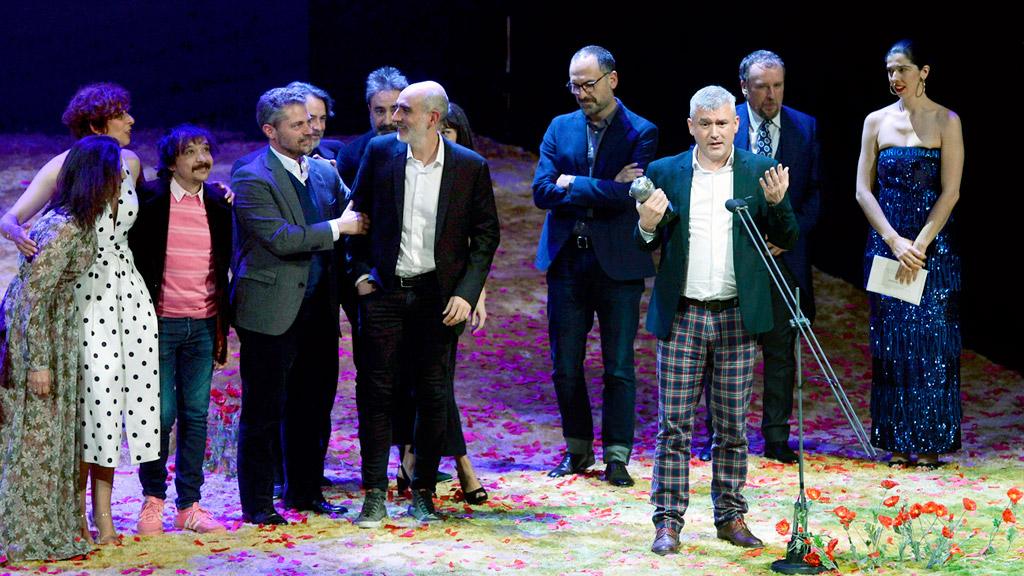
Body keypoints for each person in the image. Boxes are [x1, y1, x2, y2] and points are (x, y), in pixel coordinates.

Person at [636, 86, 798, 554]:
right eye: (705, 124)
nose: (714, 133)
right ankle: (668, 522)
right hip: (683, 315)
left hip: (736, 317)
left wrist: (780, 203)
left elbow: (787, 236)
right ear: (691, 127)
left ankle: (730, 516)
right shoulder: (664, 172)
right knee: (673, 426)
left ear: (736, 125)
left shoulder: (759, 171)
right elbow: (645, 241)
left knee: (731, 426)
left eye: (723, 123)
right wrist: (646, 224)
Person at [1, 83, 161, 545]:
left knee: (121, 404)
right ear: (96, 124)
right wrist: (17, 234)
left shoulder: (130, 163)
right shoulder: (64, 166)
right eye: (121, 114)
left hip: (128, 291)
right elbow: (11, 217)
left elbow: (149, 211)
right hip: (84, 295)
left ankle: (102, 514)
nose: (131, 121)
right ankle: (85, 516)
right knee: (93, 404)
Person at [348, 81, 500, 527]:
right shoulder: (380, 153)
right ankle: (374, 494)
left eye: (404, 110)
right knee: (375, 393)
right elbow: (357, 215)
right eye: (394, 109)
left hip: (438, 299)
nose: (395, 118)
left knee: (433, 396)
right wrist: (360, 275)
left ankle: (423, 493)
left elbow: (486, 235)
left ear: (433, 118)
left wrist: (466, 293)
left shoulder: (469, 166)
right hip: (384, 293)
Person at [231, 86, 367, 526]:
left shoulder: (323, 172)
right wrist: (339, 227)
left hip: (319, 309)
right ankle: (257, 502)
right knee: (264, 409)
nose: (310, 130)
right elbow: (281, 238)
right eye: (297, 125)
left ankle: (305, 493)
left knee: (314, 405)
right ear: (271, 131)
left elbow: (354, 207)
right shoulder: (251, 175)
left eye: (310, 121)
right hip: (271, 310)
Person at [532, 45, 657, 487]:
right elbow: (542, 192)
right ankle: (578, 449)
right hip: (566, 259)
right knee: (565, 365)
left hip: (618, 265)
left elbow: (630, 197)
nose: (580, 93)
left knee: (618, 366)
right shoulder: (559, 126)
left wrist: (572, 184)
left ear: (612, 80)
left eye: (588, 84)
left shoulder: (641, 131)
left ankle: (617, 456)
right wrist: (601, 185)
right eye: (574, 86)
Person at [695, 50, 823, 464]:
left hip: (785, 261)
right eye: (762, 86)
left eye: (778, 86)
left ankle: (776, 437)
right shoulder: (722, 123)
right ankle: (718, 434)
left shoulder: (805, 126)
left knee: (781, 352)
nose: (771, 95)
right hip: (732, 258)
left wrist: (789, 234)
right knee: (722, 352)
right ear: (743, 87)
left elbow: (814, 194)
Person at [0, 135, 123, 561]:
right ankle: (27, 533)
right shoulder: (65, 227)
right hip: (40, 335)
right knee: (36, 435)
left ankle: (53, 524)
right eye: (114, 172)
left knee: (52, 434)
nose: (120, 178)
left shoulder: (77, 220)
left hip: (56, 330)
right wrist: (38, 362)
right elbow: (32, 298)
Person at [855, 39, 963, 469]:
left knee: (931, 344)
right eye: (889, 70)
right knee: (893, 344)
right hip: (888, 248)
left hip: (932, 251)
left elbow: (950, 191)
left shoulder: (947, 120)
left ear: (924, 72)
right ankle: (898, 442)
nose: (895, 78)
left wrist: (918, 244)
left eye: (902, 69)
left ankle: (931, 442)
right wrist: (894, 240)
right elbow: (863, 190)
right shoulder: (876, 121)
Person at [129, 125, 232, 535]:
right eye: (190, 152)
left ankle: (189, 504)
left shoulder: (219, 203)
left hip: (204, 325)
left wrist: (222, 328)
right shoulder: (149, 201)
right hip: (158, 324)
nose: (202, 158)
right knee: (160, 414)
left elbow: (223, 268)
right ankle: (153, 498)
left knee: (196, 415)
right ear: (171, 162)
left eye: (206, 149)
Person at [392, 102, 488, 504]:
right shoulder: (398, 158)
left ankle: (423, 461)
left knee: (437, 383)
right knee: (416, 381)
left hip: (450, 290)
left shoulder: (467, 169)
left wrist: (473, 291)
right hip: (404, 285)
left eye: (449, 134)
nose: (440, 141)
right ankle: (446, 461)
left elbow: (476, 237)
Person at [336, 66, 409, 188]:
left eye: (395, 110)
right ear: (369, 109)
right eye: (380, 111)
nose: (388, 121)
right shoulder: (350, 156)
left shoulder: (423, 149)